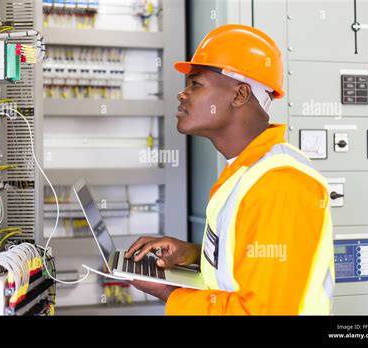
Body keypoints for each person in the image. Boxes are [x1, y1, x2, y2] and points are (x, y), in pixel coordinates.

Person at [126, 24, 334, 315]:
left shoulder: (280, 183)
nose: (182, 95)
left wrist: (169, 292)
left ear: (240, 95)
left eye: (195, 84)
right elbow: (252, 265)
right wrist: (194, 254)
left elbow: (260, 312)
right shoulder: (245, 170)